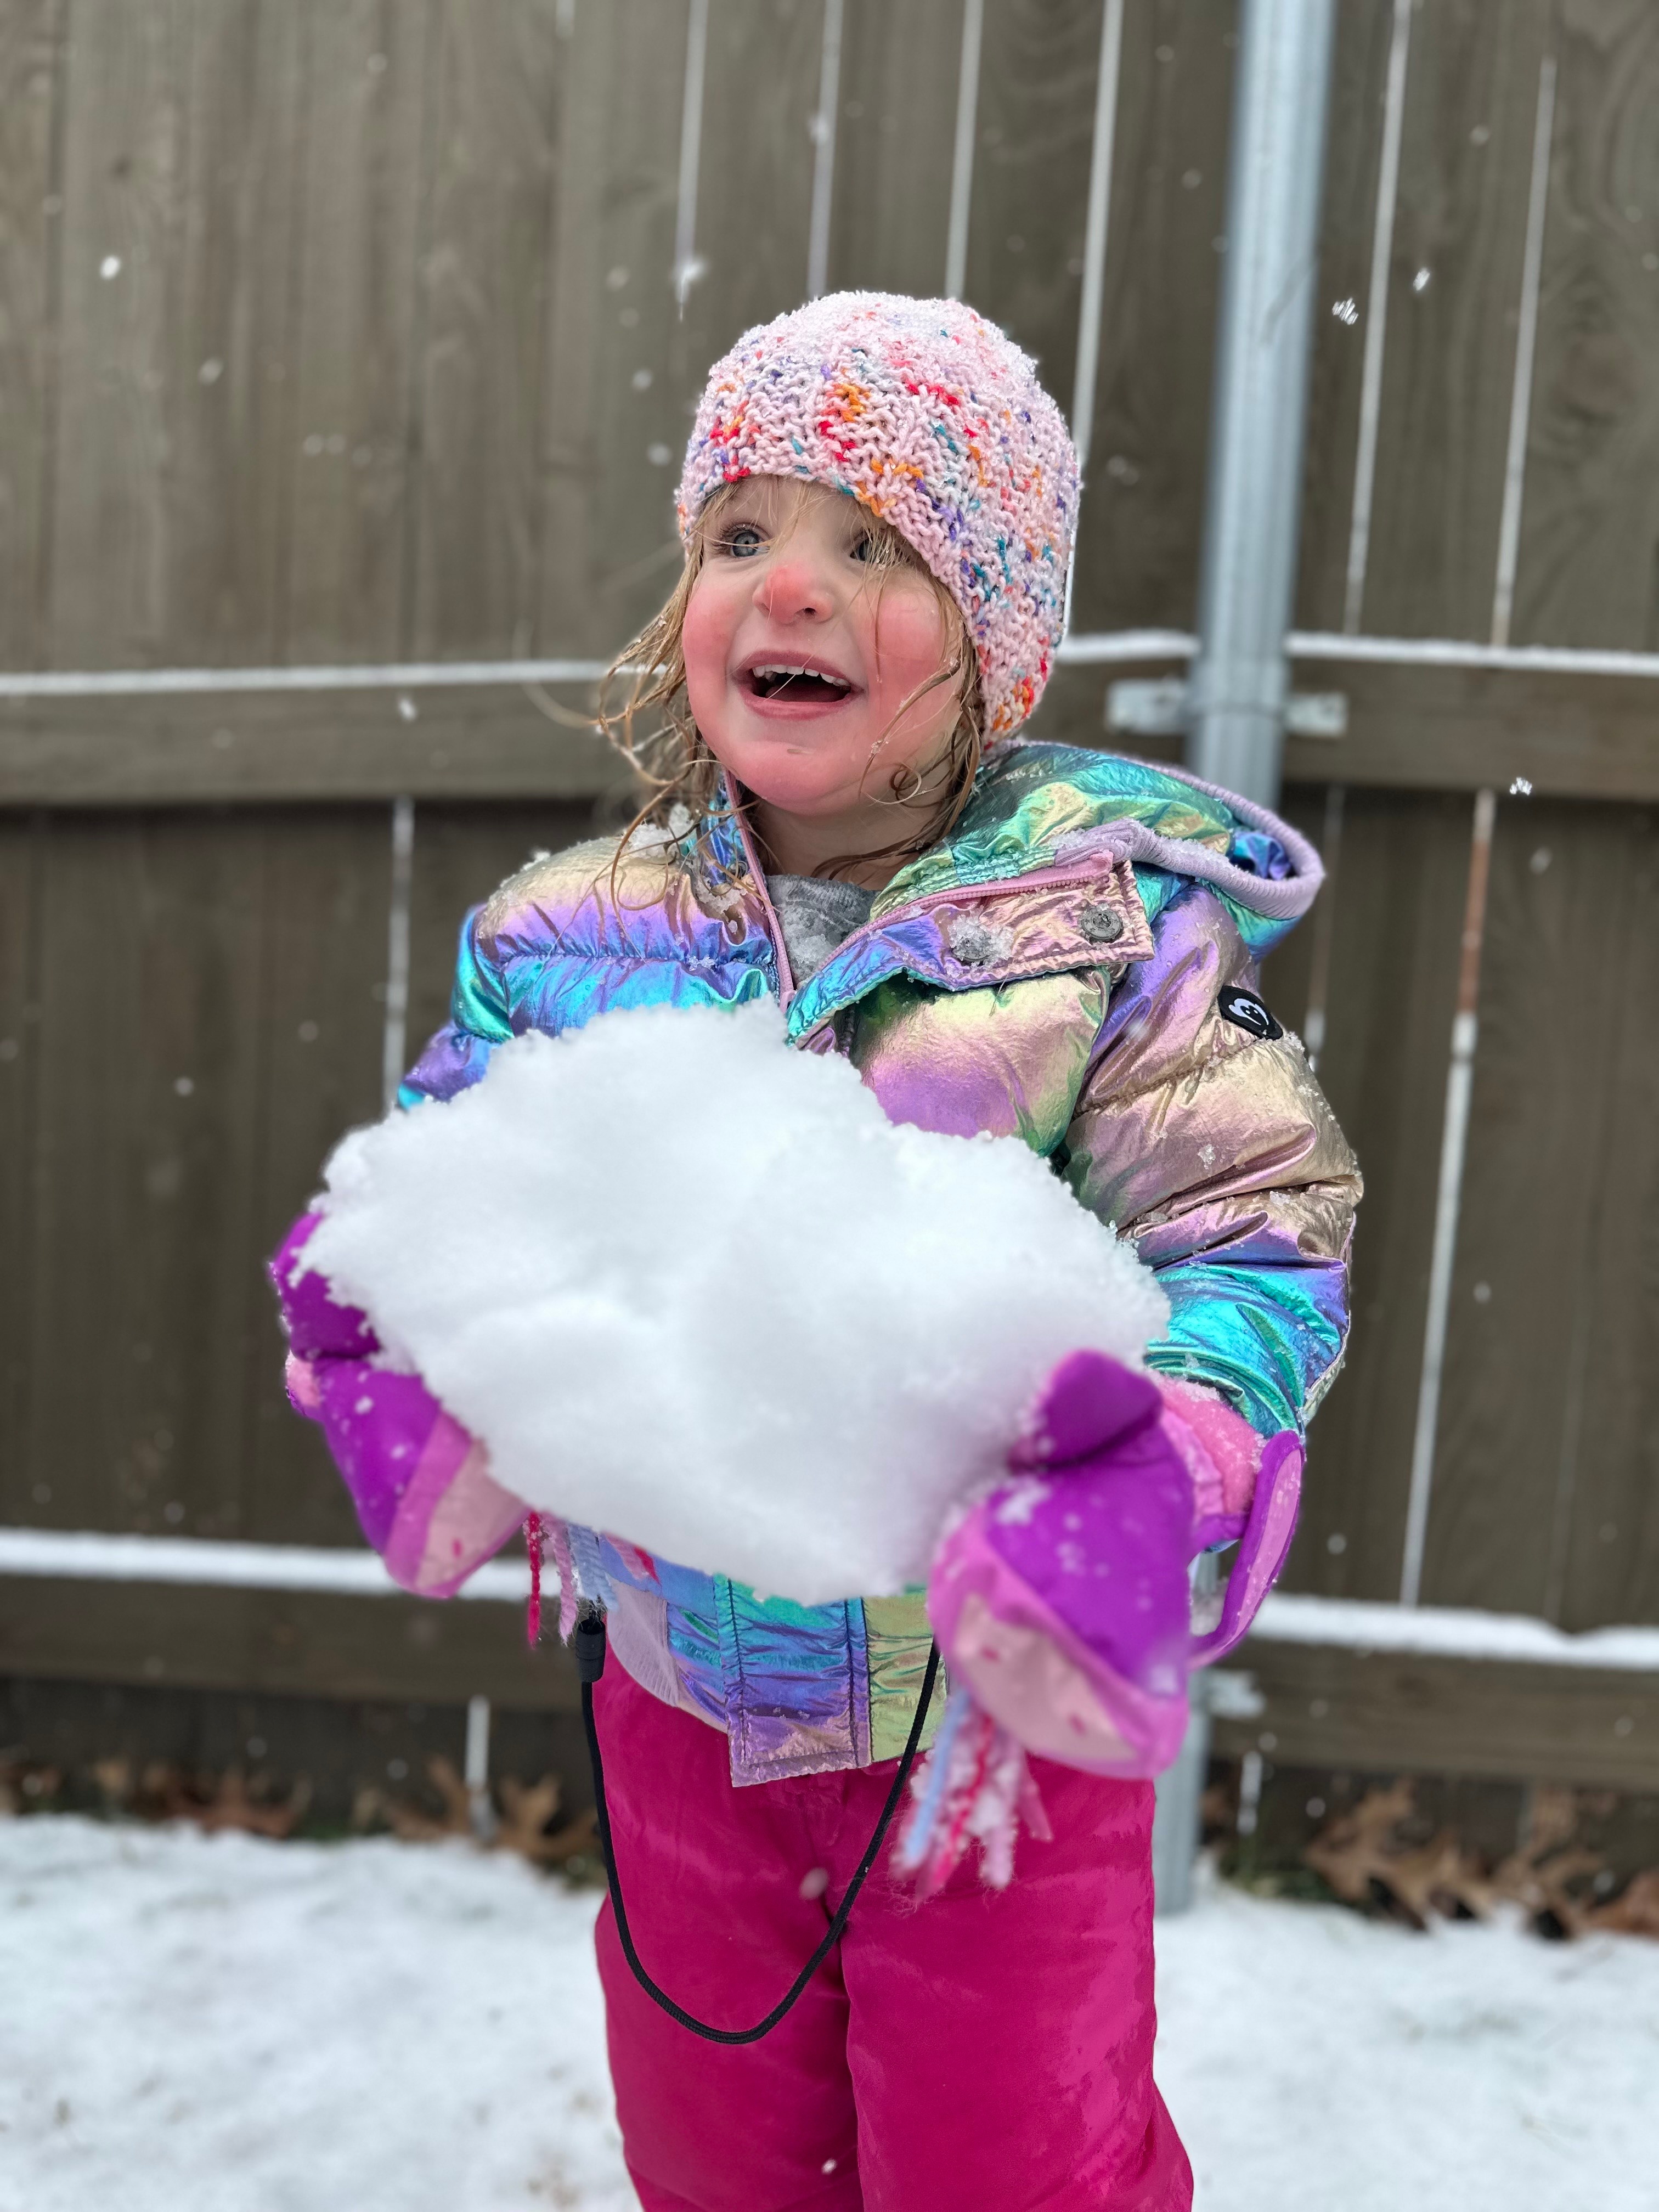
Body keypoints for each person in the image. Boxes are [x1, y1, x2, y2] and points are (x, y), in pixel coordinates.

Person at [274, 292, 1359, 2211]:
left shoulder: (1108, 942)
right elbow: (445, 1198)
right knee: (716, 2156)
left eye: (877, 547)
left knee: (1014, 2167)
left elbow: (1251, 1239)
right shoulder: (565, 941)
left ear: (1000, 641)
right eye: (740, 537)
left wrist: (1150, 1469)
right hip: (682, 1709)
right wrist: (391, 1345)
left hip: (991, 1737)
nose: (790, 588)